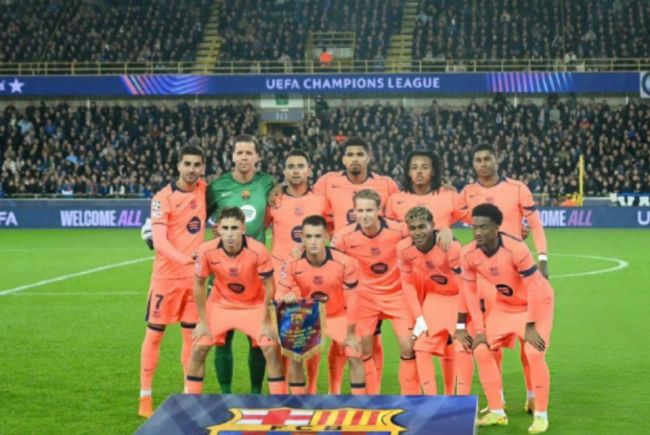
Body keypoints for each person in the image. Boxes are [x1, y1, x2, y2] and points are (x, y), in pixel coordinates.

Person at [458, 144, 549, 411]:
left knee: (525, 339)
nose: (483, 164)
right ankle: (497, 401)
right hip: (485, 275)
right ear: (473, 164)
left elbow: (535, 224)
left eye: (488, 158)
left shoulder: (517, 188)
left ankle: (532, 395)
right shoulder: (467, 192)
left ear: (497, 160)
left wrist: (543, 257)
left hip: (515, 271)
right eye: (478, 160)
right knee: (488, 340)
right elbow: (449, 215)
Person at [314, 136, 398, 392]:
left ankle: (374, 390)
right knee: (340, 338)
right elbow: (314, 213)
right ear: (343, 159)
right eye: (350, 154)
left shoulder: (386, 184)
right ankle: (334, 391)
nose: (355, 159)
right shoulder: (328, 182)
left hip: (375, 277)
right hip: (341, 272)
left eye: (360, 154)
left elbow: (396, 220)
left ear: (368, 157)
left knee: (371, 336)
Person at [461, 203, 554, 433]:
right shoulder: (468, 253)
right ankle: (496, 411)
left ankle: (541, 415)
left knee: (534, 352)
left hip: (537, 304)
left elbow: (534, 287)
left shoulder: (516, 249)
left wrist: (530, 325)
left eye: (483, 227)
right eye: (474, 227)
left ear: (497, 227)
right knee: (481, 349)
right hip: (505, 306)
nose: (478, 232)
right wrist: (479, 331)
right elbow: (470, 292)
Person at [385, 149, 466, 394]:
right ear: (407, 172)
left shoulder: (448, 195)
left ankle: (450, 395)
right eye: (414, 167)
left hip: (439, 283)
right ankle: (413, 397)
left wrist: (450, 232)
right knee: (413, 344)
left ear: (433, 171)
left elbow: (477, 219)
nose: (419, 172)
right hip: (409, 278)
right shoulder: (395, 200)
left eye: (424, 167)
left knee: (448, 340)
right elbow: (386, 232)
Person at [185, 207, 287, 395]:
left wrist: (267, 322)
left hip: (254, 304)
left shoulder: (258, 250)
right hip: (221, 303)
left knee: (271, 348)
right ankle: (190, 400)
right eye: (225, 228)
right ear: (218, 229)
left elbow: (269, 286)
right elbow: (199, 284)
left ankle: (278, 401)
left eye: (234, 228)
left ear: (243, 229)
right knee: (199, 347)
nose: (230, 234)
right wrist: (203, 322)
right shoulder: (206, 250)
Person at [138, 145, 207, 418]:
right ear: (178, 165)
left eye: (197, 164)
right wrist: (187, 260)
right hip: (166, 279)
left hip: (192, 282)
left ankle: (190, 395)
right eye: (187, 164)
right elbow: (160, 242)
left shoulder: (203, 190)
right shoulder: (162, 198)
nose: (192, 169)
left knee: (191, 337)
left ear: (202, 168)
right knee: (154, 335)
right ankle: (145, 397)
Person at [205, 134, 276, 394]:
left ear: (257, 157)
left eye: (249, 153)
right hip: (222, 271)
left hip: (256, 272)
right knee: (222, 337)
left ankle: (256, 392)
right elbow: (196, 215)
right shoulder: (217, 186)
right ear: (232, 156)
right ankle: (225, 393)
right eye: (239, 153)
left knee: (257, 338)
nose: (244, 157)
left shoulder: (268, 183)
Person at [332, 189, 417, 395]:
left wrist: (444, 233)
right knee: (363, 349)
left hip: (397, 295)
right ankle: (372, 397)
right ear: (354, 211)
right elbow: (331, 264)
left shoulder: (399, 230)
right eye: (360, 210)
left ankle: (411, 398)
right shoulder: (344, 237)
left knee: (408, 346)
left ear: (379, 210)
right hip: (365, 298)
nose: (365, 215)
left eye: (369, 210)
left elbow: (425, 234)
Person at [277, 215, 366, 395]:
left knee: (355, 352)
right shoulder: (293, 262)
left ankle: (359, 404)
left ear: (326, 237)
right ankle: (301, 402)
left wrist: (350, 335)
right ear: (302, 238)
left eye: (318, 236)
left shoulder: (345, 262)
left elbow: (352, 300)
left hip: (338, 315)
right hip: (309, 315)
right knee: (295, 354)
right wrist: (285, 296)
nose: (313, 241)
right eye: (309, 236)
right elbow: (279, 293)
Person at [267, 150, 329, 393]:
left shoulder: (321, 200)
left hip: (310, 276)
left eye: (300, 166)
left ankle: (310, 390)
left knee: (311, 335)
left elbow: (331, 231)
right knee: (281, 336)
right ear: (284, 171)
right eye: (291, 166)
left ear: (308, 170)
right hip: (279, 276)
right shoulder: (275, 200)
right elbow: (256, 228)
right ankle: (281, 392)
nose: (295, 170)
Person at [397, 206, 465, 395]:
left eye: (422, 227)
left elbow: (465, 286)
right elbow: (407, 284)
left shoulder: (450, 246)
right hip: (436, 296)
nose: (417, 232)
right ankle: (431, 400)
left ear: (433, 225)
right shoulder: (404, 248)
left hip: (459, 297)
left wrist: (462, 321)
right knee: (421, 347)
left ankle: (453, 397)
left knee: (461, 347)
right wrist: (419, 317)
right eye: (412, 228)